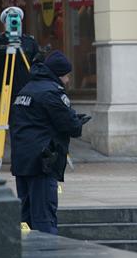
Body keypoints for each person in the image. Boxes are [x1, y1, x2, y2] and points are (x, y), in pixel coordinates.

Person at [10, 50, 91, 234]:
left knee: (26, 218)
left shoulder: (26, 89)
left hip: (22, 163)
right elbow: (71, 127)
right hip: (42, 163)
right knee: (44, 219)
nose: (68, 80)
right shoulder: (52, 92)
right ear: (58, 75)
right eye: (66, 76)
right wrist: (77, 121)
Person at [0, 6, 40, 101]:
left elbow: (39, 65)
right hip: (6, 89)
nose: (14, 23)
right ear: (4, 24)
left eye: (16, 20)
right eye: (10, 21)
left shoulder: (29, 42)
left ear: (21, 22)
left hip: (27, 89)